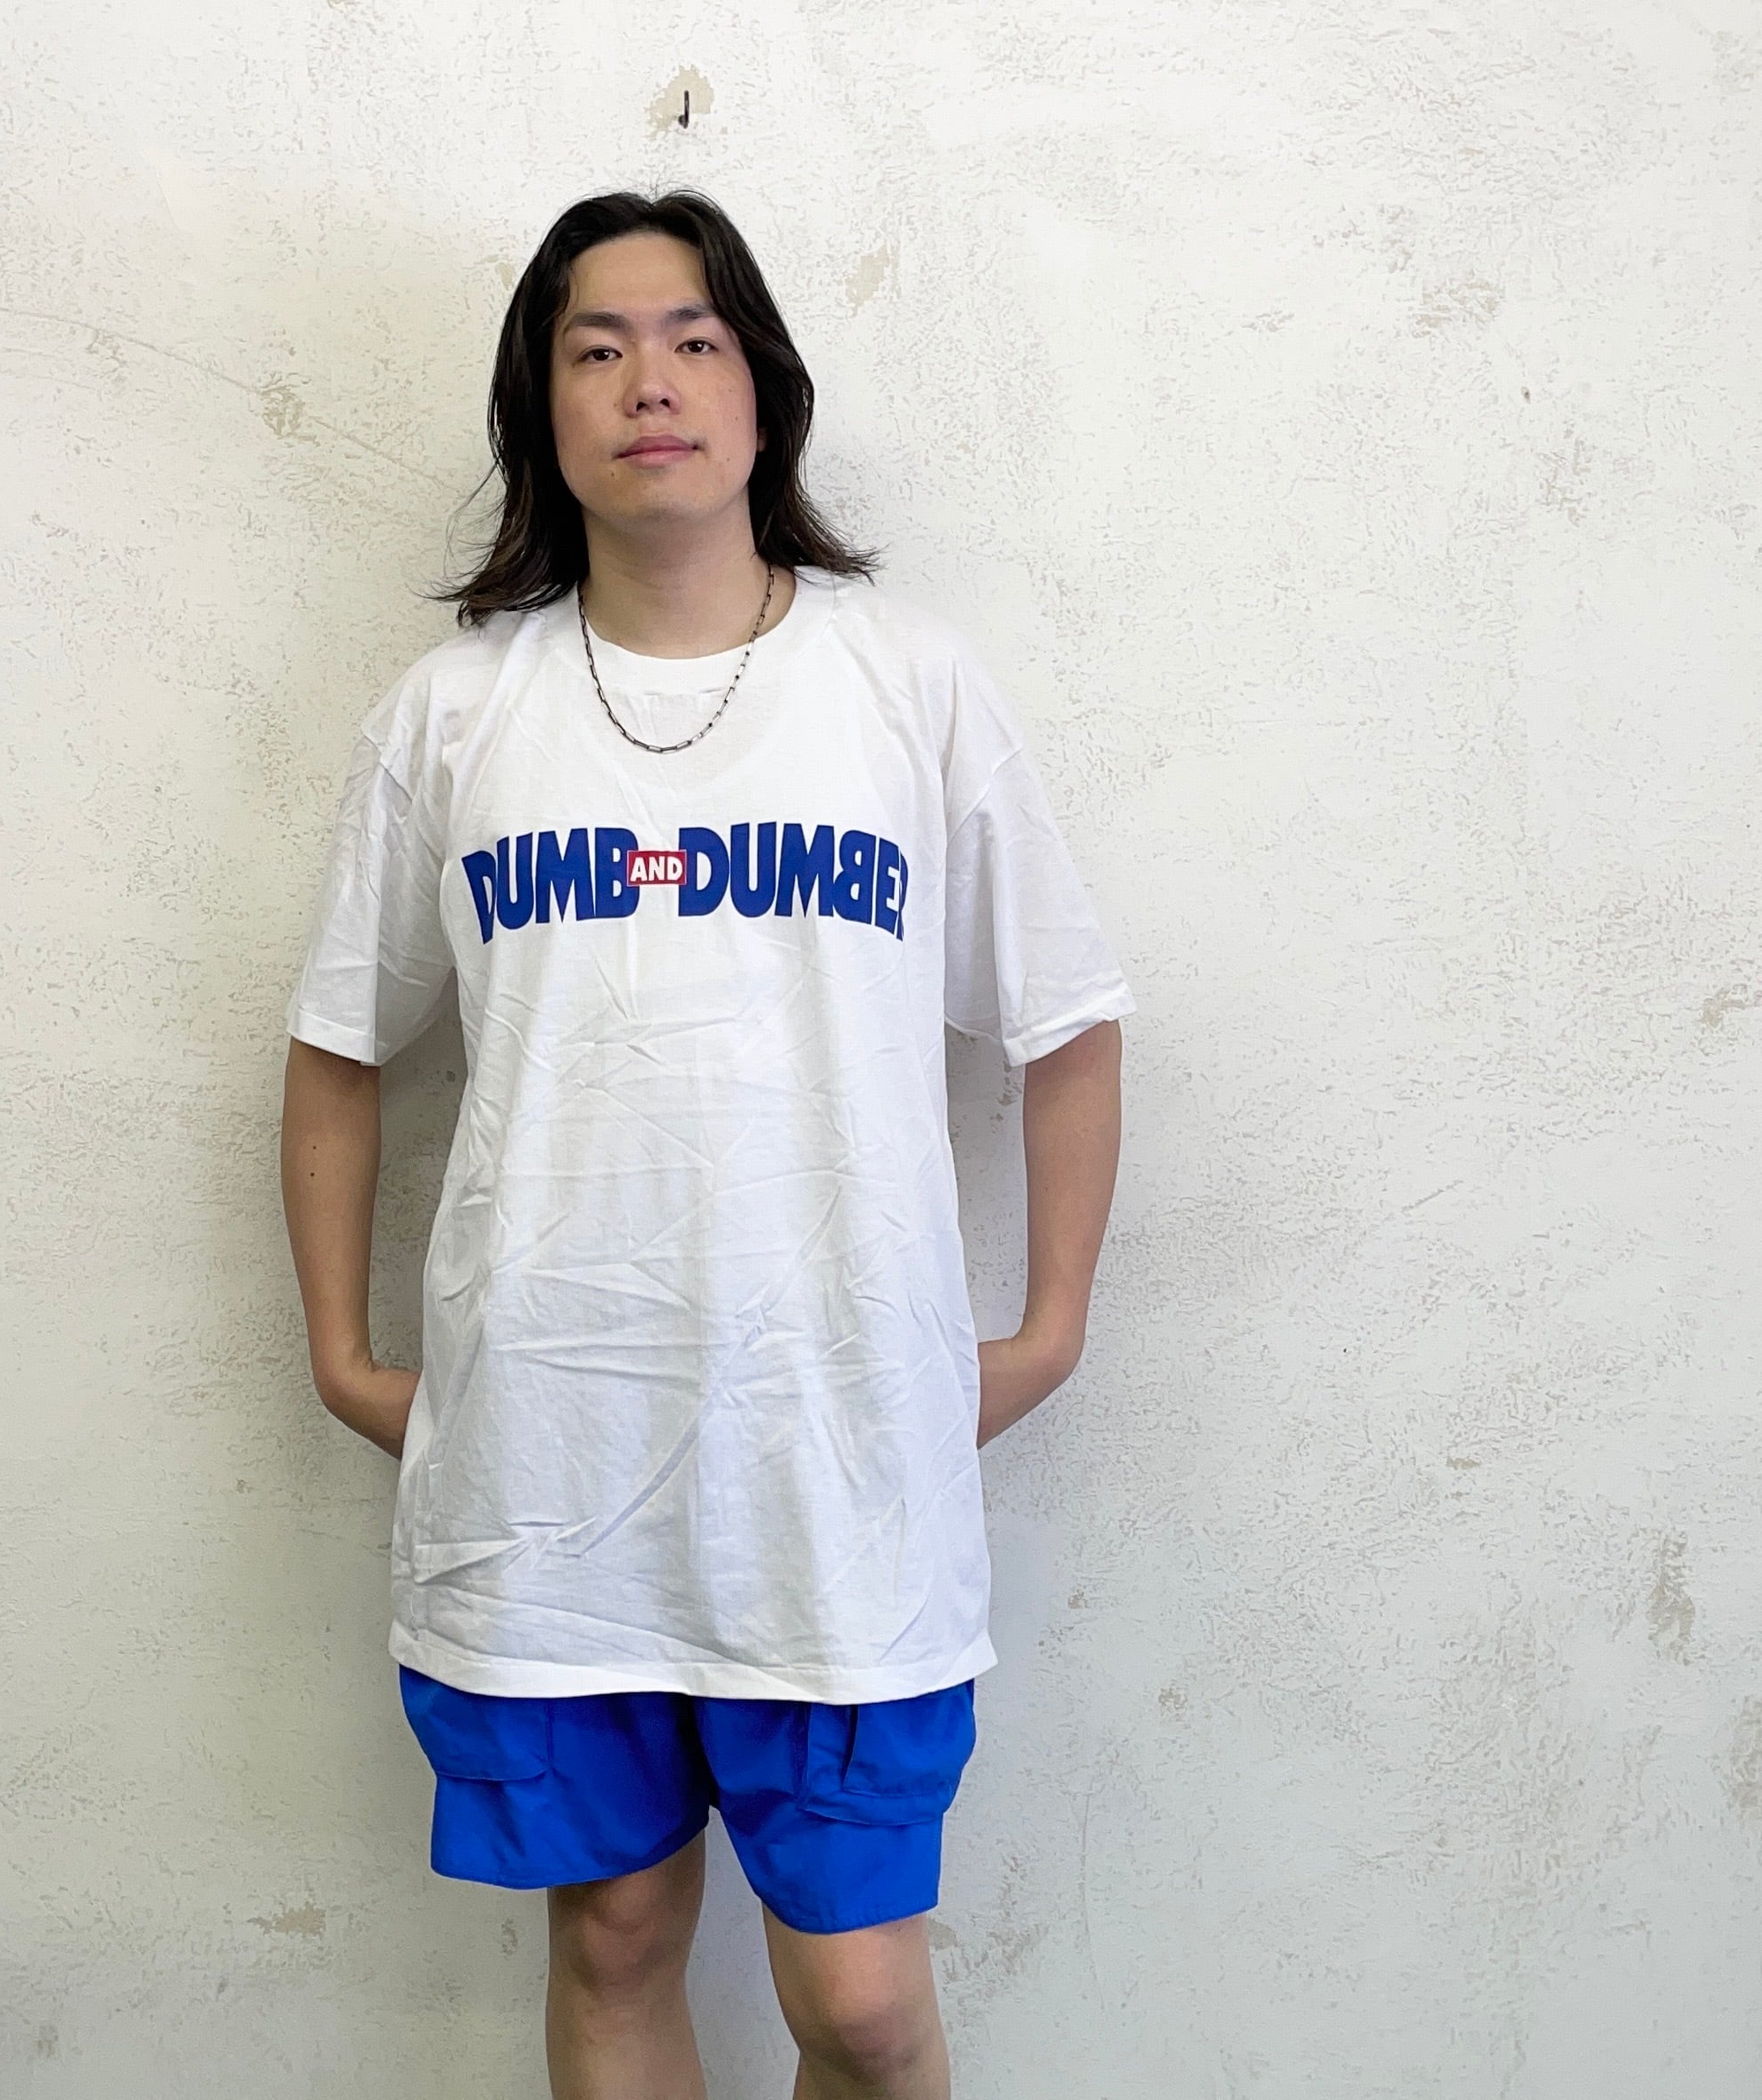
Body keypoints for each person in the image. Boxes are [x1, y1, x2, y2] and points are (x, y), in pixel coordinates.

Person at [278, 187, 1134, 2100]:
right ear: (544, 407)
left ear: (763, 393)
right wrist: (340, 1355)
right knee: (616, 1938)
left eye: (692, 339)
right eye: (596, 347)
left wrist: (1051, 1329)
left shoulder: (905, 684)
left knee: (864, 2008)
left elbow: (1069, 1020)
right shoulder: (455, 713)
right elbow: (338, 1044)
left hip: (840, 1472)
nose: (647, 381)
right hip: (550, 1470)